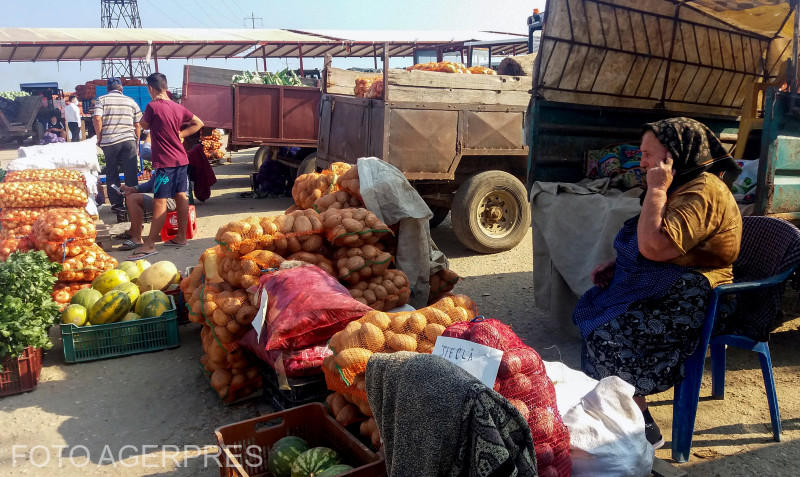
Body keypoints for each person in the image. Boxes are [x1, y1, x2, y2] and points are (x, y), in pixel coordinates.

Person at [573, 117, 743, 449]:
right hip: (670, 285)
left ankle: (640, 426)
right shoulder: (683, 185)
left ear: (676, 154)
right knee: (594, 309)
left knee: (609, 334)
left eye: (649, 154)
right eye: (642, 153)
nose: (643, 161)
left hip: (701, 298)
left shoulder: (703, 191)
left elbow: (656, 245)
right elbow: (651, 247)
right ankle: (630, 415)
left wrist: (656, 188)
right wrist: (620, 264)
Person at [126, 72, 203, 260]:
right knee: (181, 197)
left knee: (159, 200)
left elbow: (143, 125)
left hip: (165, 163)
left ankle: (150, 244)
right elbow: (199, 123)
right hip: (181, 160)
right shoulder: (177, 107)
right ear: (166, 87)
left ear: (150, 88)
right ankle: (181, 237)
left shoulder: (153, 106)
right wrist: (182, 134)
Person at [93, 78, 142, 213]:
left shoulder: (101, 99)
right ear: (121, 88)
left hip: (110, 143)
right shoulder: (131, 101)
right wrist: (137, 141)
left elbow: (97, 118)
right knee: (130, 173)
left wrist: (99, 136)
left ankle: (117, 204)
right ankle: (132, 202)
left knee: (112, 173)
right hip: (128, 141)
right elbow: (138, 124)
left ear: (108, 88)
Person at [117, 178, 177, 251]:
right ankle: (133, 230)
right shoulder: (162, 168)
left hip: (171, 200)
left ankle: (137, 238)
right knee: (131, 195)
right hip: (164, 196)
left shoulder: (168, 167)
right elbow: (152, 183)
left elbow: (160, 186)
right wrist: (133, 189)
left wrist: (135, 190)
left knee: (132, 198)